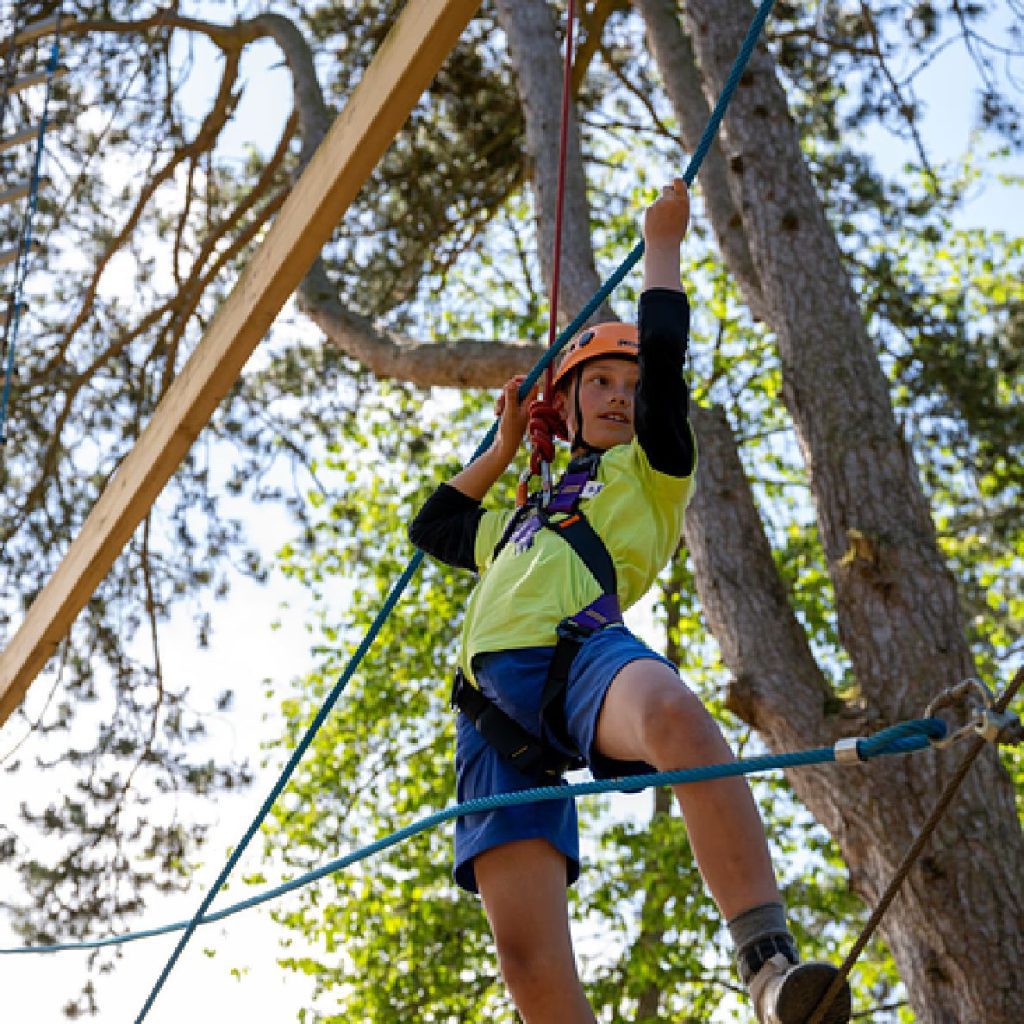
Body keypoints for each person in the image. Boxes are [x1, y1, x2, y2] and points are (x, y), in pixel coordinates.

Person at [410, 179, 851, 1024]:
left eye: (628, 383)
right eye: (599, 382)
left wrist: (663, 246)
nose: (618, 394)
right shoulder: (518, 523)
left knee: (676, 717)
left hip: (583, 655)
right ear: (568, 403)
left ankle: (767, 965)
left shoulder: (654, 471)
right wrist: (505, 446)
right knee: (528, 965)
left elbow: (665, 363)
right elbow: (433, 526)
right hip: (488, 716)